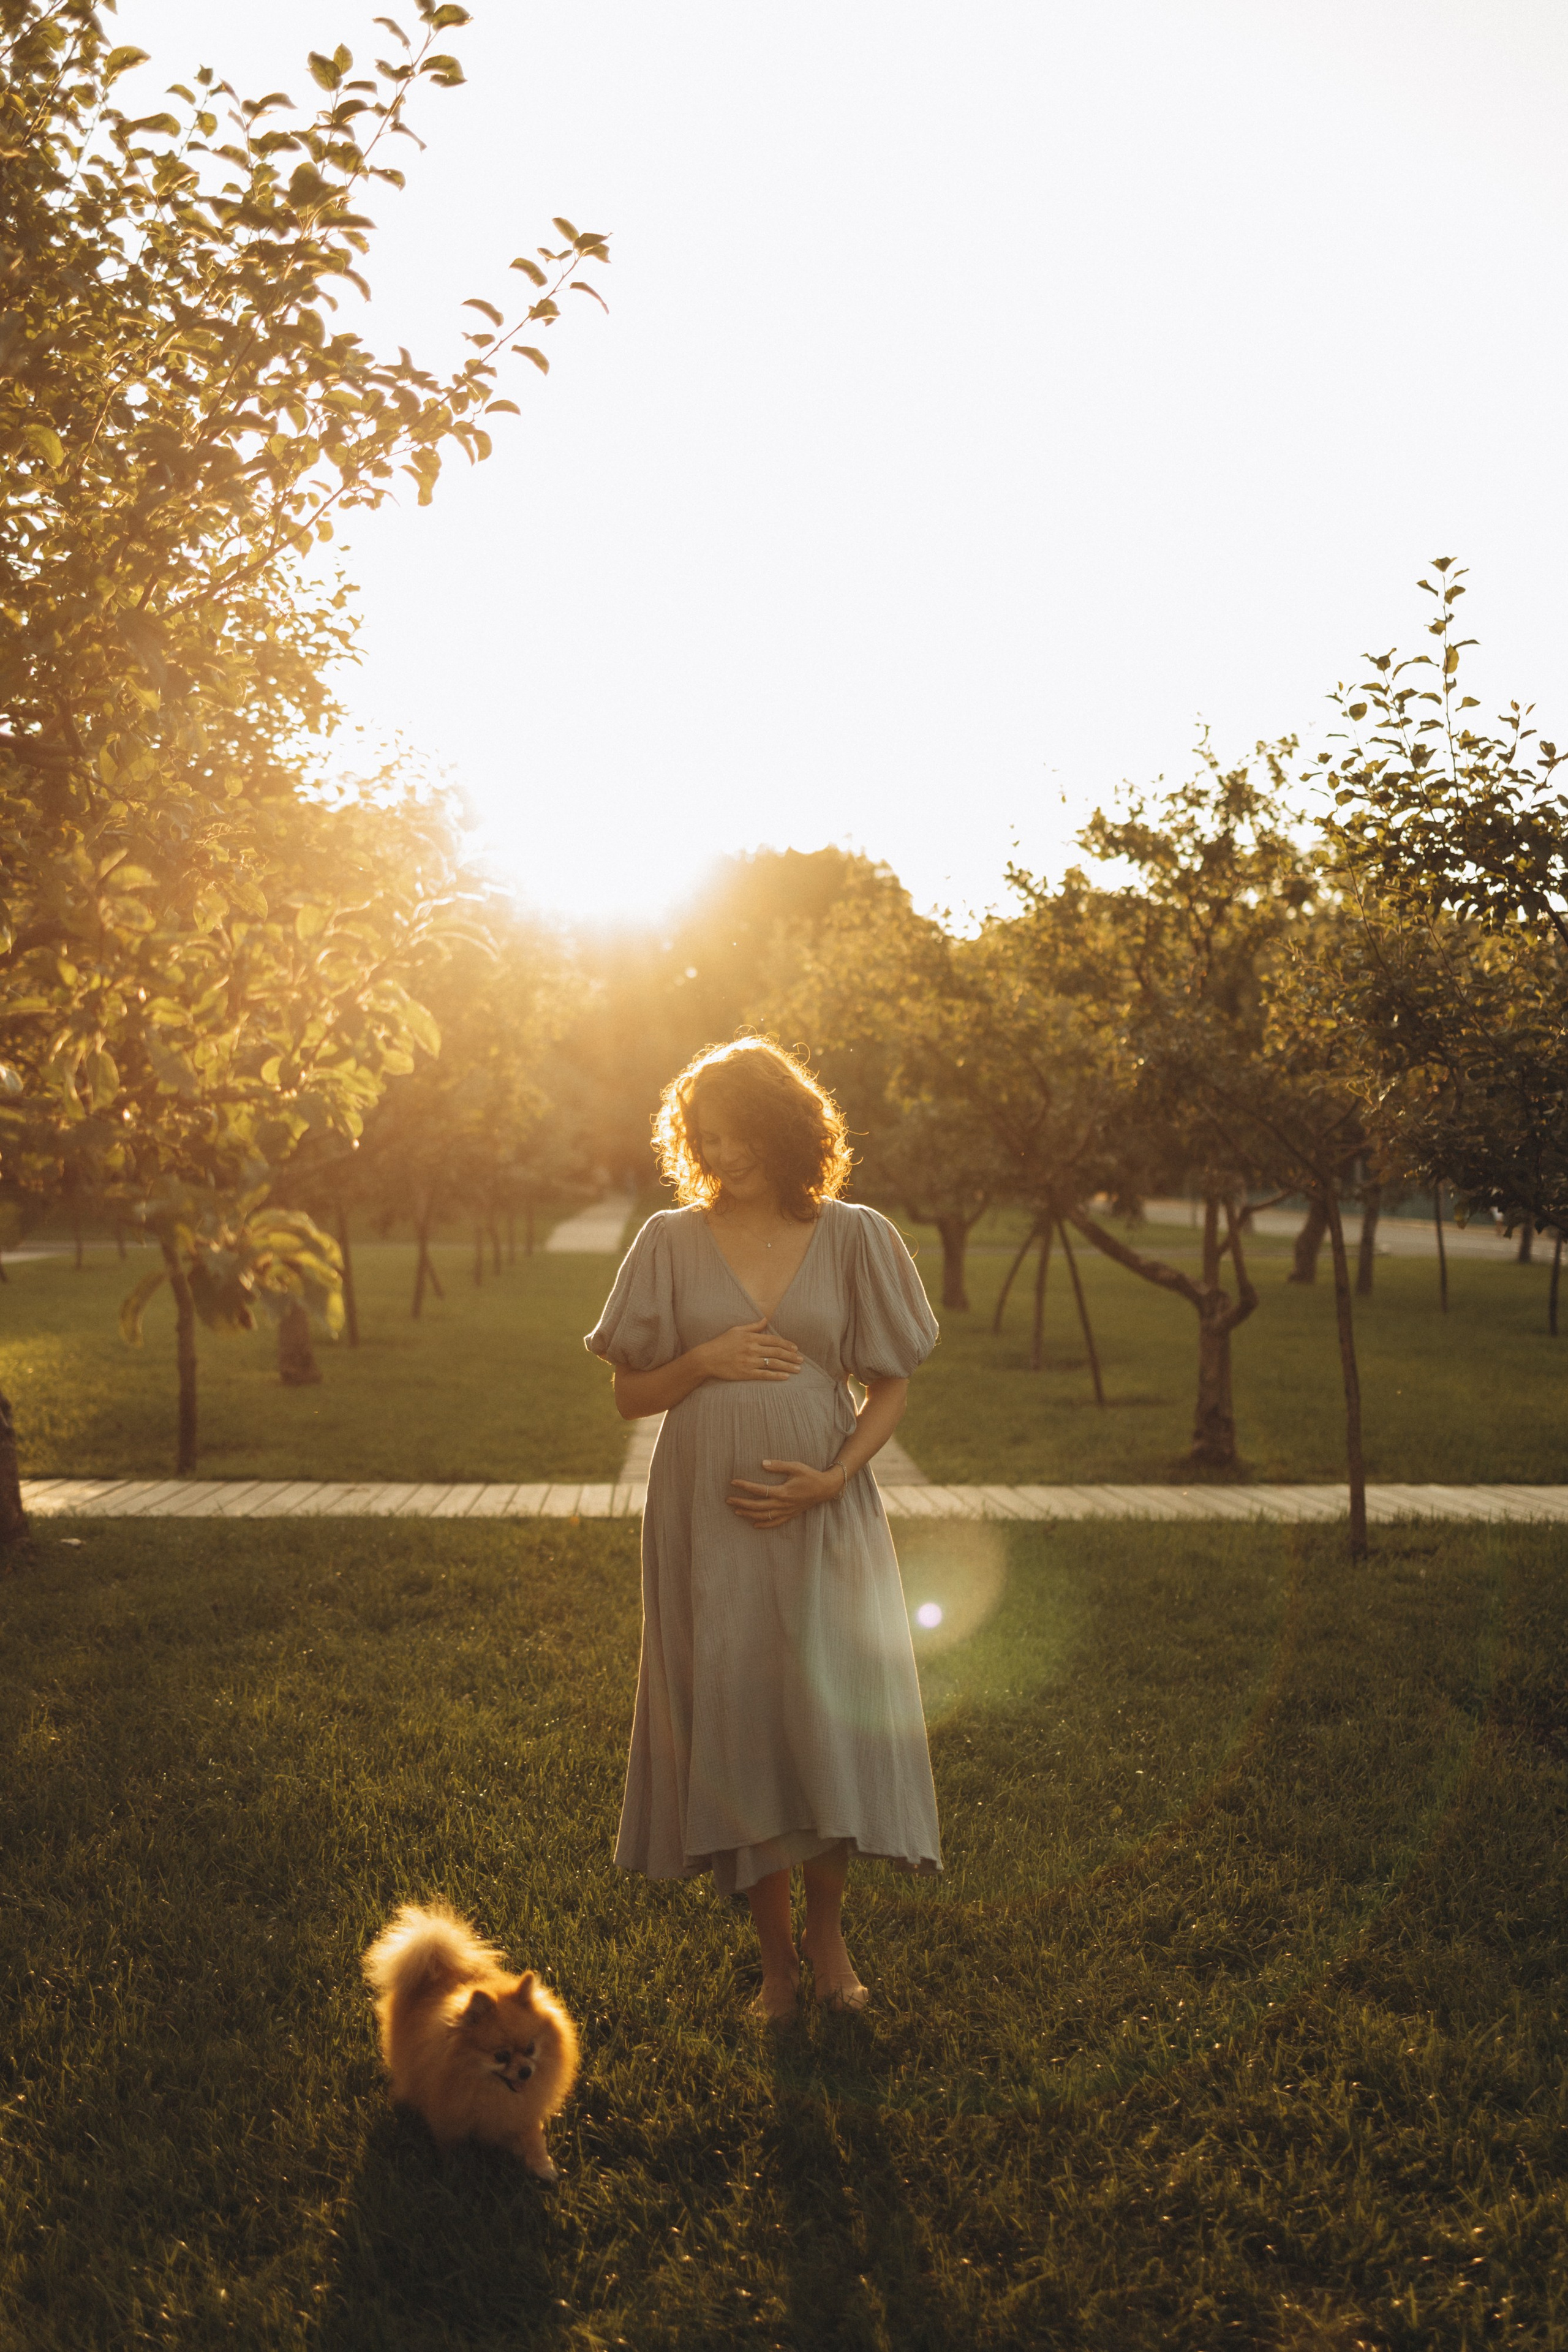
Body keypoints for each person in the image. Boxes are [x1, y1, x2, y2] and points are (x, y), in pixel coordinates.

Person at [584, 1036, 942, 2021]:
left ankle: (829, 1939)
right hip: (709, 1517)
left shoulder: (857, 1235)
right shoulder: (669, 1241)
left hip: (824, 1510)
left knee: (821, 1714)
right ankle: (776, 1965)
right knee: (742, 1714)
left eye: (740, 1132)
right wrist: (702, 1361)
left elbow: (890, 1385)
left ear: (787, 1130)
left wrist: (834, 1477)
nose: (723, 1151)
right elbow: (630, 1397)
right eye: (706, 1135)